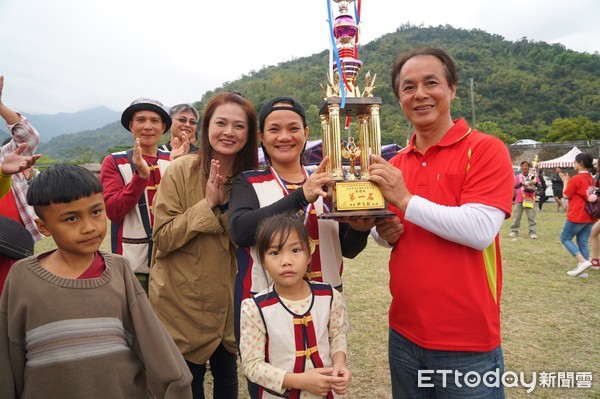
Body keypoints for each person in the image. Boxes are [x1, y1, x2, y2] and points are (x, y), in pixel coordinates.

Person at [367, 47, 514, 397]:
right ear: (399, 97)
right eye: (408, 87)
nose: (419, 94)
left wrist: (405, 199)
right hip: (403, 332)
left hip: (467, 341)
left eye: (430, 82)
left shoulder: (485, 149)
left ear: (452, 89)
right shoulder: (397, 163)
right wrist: (380, 233)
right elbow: (389, 229)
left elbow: (480, 230)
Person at [0, 164, 192, 399]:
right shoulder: (22, 277)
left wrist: (176, 386)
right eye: (71, 218)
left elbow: (151, 340)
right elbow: (10, 353)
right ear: (43, 227)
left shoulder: (118, 269)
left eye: (96, 212)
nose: (89, 227)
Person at [229, 96, 374, 342]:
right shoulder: (249, 182)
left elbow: (345, 249)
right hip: (266, 307)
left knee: (325, 376)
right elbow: (240, 231)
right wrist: (300, 196)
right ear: (262, 137)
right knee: (271, 380)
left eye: (293, 128)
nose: (284, 137)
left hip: (324, 304)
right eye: (274, 129)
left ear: (305, 133)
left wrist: (360, 230)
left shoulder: (327, 181)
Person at [150, 91, 259, 399]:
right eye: (220, 123)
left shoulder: (251, 179)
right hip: (182, 305)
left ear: (249, 134)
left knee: (228, 381)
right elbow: (162, 238)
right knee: (188, 385)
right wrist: (207, 205)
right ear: (206, 127)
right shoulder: (180, 171)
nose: (228, 132)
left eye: (239, 126)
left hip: (231, 308)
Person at [239, 213, 351, 399]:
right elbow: (252, 365)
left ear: (309, 254)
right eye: (275, 253)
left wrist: (339, 363)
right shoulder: (255, 308)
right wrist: (300, 381)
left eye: (296, 250)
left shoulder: (330, 296)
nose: (286, 261)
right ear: (263, 261)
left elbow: (337, 335)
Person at [99, 98, 172, 292]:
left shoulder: (173, 160)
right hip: (132, 263)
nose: (148, 126)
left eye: (154, 121)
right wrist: (140, 177)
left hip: (172, 260)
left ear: (163, 127)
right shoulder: (115, 161)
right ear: (131, 126)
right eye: (141, 120)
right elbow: (113, 211)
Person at [0, 75, 44, 296]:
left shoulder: (5, 155)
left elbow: (28, 136)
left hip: (14, 241)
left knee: (15, 296)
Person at [560, 152, 597, 278]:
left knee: (565, 238)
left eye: (575, 162)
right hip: (590, 216)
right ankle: (584, 271)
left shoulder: (577, 178)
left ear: (580, 163)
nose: (574, 164)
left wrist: (565, 181)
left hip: (578, 214)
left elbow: (565, 195)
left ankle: (582, 262)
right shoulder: (591, 179)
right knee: (582, 241)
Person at [509, 160, 541, 239]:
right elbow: (514, 186)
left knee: (531, 217)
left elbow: (539, 186)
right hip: (519, 199)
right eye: (523, 166)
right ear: (521, 167)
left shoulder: (532, 175)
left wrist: (535, 183)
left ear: (529, 167)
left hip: (529, 198)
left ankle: (532, 232)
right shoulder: (518, 176)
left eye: (526, 166)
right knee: (516, 217)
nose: (524, 167)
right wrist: (521, 184)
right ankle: (514, 231)